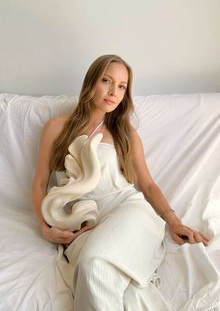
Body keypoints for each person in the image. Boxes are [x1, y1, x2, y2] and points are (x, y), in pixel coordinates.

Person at [32, 54, 209, 310]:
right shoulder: (56, 128)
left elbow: (147, 185)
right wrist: (44, 226)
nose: (113, 91)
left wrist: (174, 221)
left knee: (93, 262)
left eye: (122, 86)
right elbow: (39, 184)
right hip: (82, 224)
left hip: (127, 211)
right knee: (96, 275)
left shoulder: (125, 134)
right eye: (106, 81)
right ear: (91, 82)